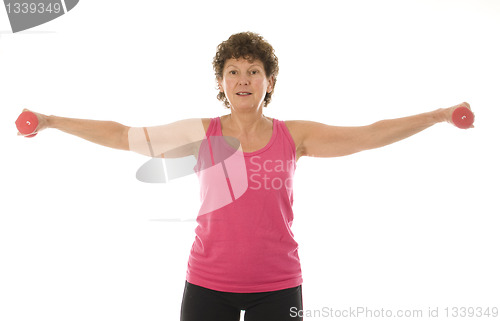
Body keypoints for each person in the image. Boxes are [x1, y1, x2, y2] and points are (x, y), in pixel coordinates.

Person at [17, 32, 473, 321]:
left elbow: (370, 134)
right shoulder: (203, 134)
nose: (243, 78)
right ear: (221, 82)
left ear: (268, 82)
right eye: (233, 71)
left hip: (277, 289)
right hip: (206, 287)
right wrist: (52, 120)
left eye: (254, 71)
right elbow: (124, 135)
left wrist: (437, 115)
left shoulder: (296, 136)